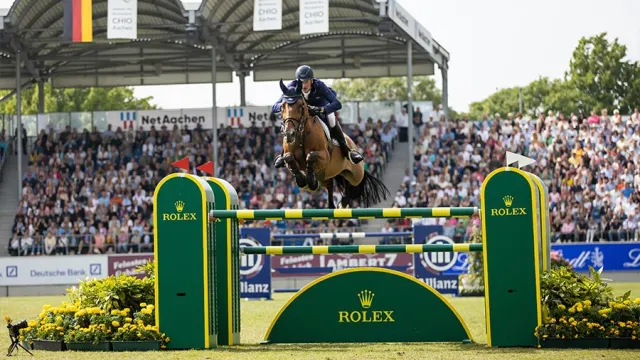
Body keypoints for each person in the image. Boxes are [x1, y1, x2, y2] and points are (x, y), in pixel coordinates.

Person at [271, 65, 363, 168]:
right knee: (289, 125)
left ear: (311, 80)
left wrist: (322, 110)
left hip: (320, 107)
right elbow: (274, 107)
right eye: (301, 82)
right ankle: (284, 154)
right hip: (303, 112)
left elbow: (337, 104)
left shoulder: (319, 85)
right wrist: (284, 106)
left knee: (332, 119)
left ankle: (347, 151)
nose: (304, 85)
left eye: (306, 81)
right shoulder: (291, 87)